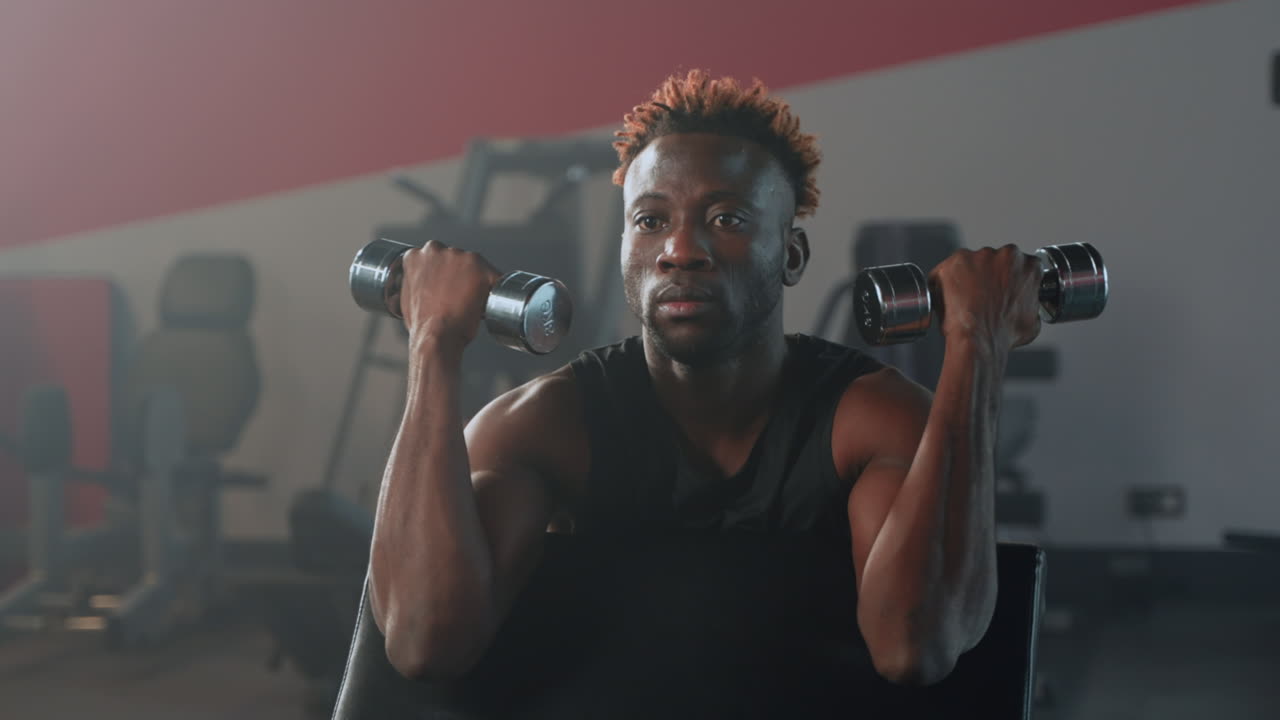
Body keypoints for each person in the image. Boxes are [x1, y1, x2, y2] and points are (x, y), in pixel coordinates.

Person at [367, 69, 1044, 689]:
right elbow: (425, 642)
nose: (681, 251)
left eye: (727, 219)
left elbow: (914, 647)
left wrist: (975, 347)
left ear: (793, 254)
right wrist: (433, 341)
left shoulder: (867, 423)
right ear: (629, 248)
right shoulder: (548, 426)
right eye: (651, 220)